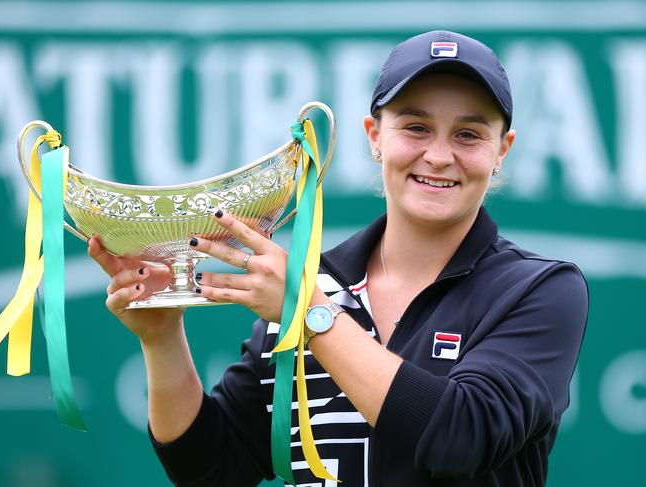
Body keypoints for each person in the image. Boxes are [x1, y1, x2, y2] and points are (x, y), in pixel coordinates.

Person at [88, 30, 588, 486]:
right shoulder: (311, 281)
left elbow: (459, 436)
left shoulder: (540, 289)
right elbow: (213, 469)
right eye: (416, 127)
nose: (439, 155)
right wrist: (161, 339)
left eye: (468, 134)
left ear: (503, 149)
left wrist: (309, 313)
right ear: (375, 136)